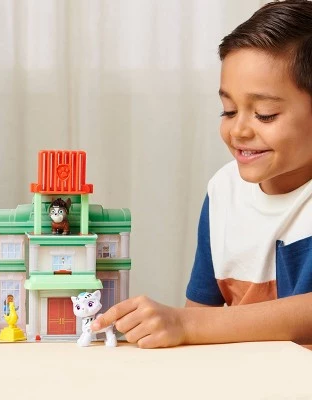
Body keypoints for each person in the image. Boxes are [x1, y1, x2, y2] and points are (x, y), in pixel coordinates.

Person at [91, 0, 312, 349]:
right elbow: (200, 315)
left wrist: (186, 323)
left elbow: (197, 323)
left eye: (265, 114)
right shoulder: (224, 192)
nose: (238, 130)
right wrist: (172, 327)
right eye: (229, 111)